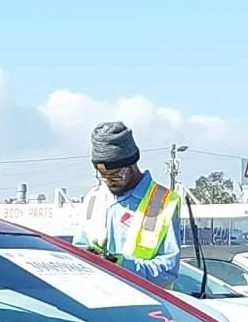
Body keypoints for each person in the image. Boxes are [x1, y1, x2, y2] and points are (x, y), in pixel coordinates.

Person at [70, 121, 184, 289]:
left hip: (144, 307)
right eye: (103, 175)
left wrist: (123, 266)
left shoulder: (162, 202)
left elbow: (167, 271)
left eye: (116, 175)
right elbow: (78, 250)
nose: (109, 182)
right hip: (98, 302)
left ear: (132, 165)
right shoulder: (94, 199)